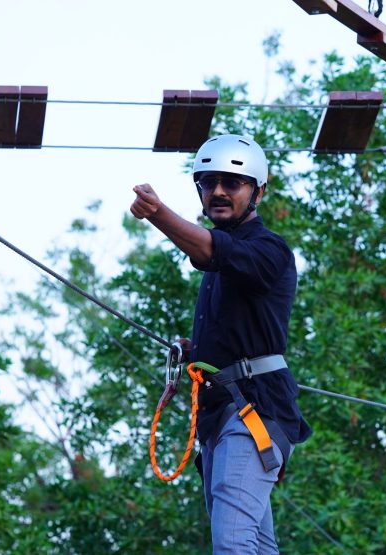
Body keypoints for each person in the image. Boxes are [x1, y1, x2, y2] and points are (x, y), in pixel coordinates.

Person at [130, 134, 311, 554]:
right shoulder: (219, 266)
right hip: (224, 417)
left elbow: (214, 250)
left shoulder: (269, 250)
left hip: (252, 413)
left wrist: (158, 213)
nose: (218, 192)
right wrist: (198, 351)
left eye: (232, 183)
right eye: (209, 183)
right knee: (254, 545)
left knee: (233, 545)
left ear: (258, 191)